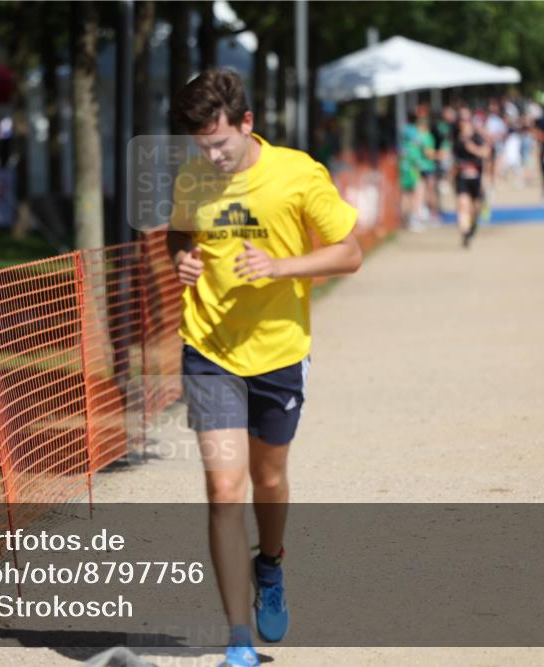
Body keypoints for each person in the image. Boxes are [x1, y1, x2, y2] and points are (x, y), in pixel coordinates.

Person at [167, 68, 363, 667]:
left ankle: (270, 564)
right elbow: (178, 234)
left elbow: (350, 253)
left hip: (278, 352)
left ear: (247, 123)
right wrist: (182, 261)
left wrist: (281, 268)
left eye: (221, 142)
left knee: (269, 481)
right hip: (209, 349)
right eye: (202, 146)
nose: (214, 156)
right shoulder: (193, 176)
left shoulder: (297, 174)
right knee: (225, 491)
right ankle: (237, 639)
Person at [453, 112, 490, 248]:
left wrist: (473, 149)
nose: (463, 123)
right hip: (462, 178)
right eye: (461, 120)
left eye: (466, 120)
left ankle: (472, 227)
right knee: (463, 205)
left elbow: (486, 153)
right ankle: (465, 233)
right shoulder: (456, 140)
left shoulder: (477, 138)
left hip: (476, 178)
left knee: (476, 209)